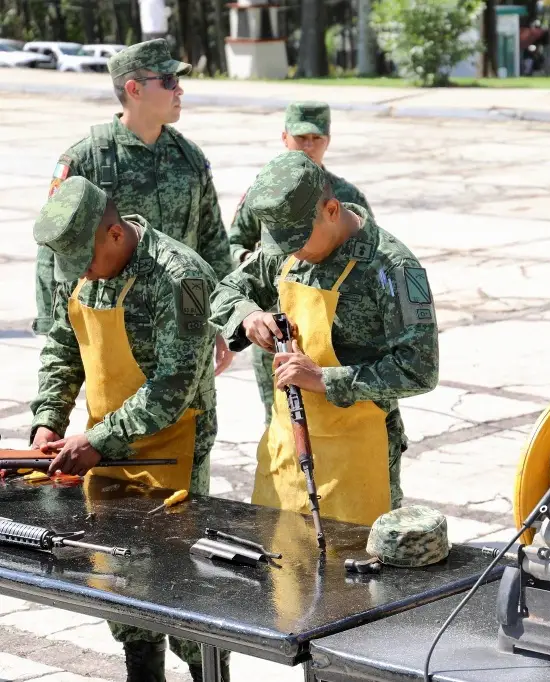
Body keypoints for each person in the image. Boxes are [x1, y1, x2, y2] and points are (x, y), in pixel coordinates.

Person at [28, 176, 229, 682]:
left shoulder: (179, 276)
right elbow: (63, 344)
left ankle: (210, 673)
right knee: (119, 582)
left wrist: (97, 441)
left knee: (178, 587)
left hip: (172, 448)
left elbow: (172, 386)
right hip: (103, 446)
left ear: (115, 234)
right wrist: (48, 420)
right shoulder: (80, 263)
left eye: (89, 262)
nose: (84, 275)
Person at [209, 151, 438, 522]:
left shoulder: (392, 267)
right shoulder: (289, 249)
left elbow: (420, 369)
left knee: (353, 570)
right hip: (286, 446)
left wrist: (323, 379)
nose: (292, 252)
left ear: (332, 209)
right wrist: (249, 315)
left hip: (359, 454)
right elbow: (226, 290)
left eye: (299, 240)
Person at [36, 38, 235, 373]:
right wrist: (57, 334)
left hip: (188, 320)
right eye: (169, 81)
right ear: (134, 89)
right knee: (116, 421)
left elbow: (212, 242)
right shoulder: (86, 160)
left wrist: (224, 319)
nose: (180, 90)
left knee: (195, 424)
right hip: (119, 325)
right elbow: (54, 252)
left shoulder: (190, 158)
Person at [228, 101, 375, 425]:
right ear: (284, 138)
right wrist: (250, 261)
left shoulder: (346, 194)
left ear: (328, 141)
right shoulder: (267, 191)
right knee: (281, 421)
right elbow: (232, 243)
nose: (308, 145)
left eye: (316, 138)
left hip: (333, 327)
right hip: (277, 326)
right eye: (301, 137)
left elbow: (368, 257)